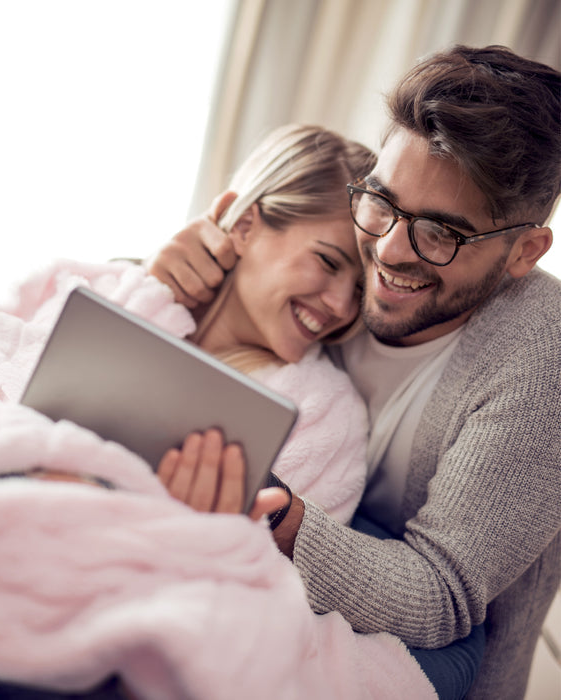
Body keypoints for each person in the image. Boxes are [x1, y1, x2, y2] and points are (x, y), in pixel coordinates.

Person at [0, 126, 446, 699]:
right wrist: (151, 297)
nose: (342, 305)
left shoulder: (326, 416)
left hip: (108, 585)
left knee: (79, 649)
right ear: (244, 224)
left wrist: (204, 529)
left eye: (360, 282)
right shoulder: (115, 287)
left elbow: (271, 588)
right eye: (327, 262)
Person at [147, 44, 561, 700]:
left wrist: (271, 510)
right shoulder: (359, 257)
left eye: (441, 234)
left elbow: (441, 593)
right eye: (383, 203)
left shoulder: (544, 360)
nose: (390, 253)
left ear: (524, 251)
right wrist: (177, 269)